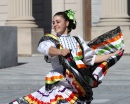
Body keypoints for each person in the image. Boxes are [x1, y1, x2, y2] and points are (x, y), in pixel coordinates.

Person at [8, 9, 124, 104]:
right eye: (53, 22)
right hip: (60, 83)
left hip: (77, 84)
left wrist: (112, 55)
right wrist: (60, 51)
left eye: (58, 22)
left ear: (67, 23)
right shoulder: (52, 39)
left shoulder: (78, 41)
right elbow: (46, 48)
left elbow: (91, 59)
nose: (55, 25)